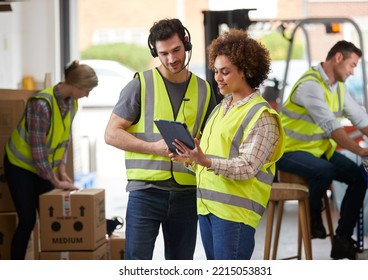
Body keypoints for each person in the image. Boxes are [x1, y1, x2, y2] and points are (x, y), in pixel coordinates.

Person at [104, 18, 216, 260]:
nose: (171, 59)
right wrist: (153, 147)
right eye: (163, 53)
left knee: (180, 264)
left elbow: (212, 140)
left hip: (187, 193)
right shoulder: (140, 85)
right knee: (137, 263)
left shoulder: (205, 90)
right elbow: (111, 134)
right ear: (155, 52)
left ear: (186, 44)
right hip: (146, 192)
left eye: (176, 50)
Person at [170, 28, 286, 260]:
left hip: (235, 215)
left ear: (245, 71)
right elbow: (211, 157)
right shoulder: (220, 108)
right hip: (207, 208)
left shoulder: (261, 116)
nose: (218, 78)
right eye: (216, 71)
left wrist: (205, 160)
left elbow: (247, 167)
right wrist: (191, 159)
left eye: (225, 72)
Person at [276, 40, 368, 260]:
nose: (352, 71)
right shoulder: (310, 85)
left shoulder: (338, 88)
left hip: (317, 151)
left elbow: (359, 118)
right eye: (352, 65)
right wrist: (361, 150)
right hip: (289, 151)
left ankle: (342, 240)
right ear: (338, 58)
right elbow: (332, 127)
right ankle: (313, 215)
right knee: (325, 171)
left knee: (360, 177)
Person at [3, 60, 98, 259]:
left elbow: (64, 137)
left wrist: (62, 168)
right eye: (87, 90)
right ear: (76, 86)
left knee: (50, 217)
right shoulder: (41, 104)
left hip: (42, 166)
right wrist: (55, 180)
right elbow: (37, 150)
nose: (87, 95)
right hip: (20, 165)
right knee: (28, 219)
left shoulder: (72, 103)